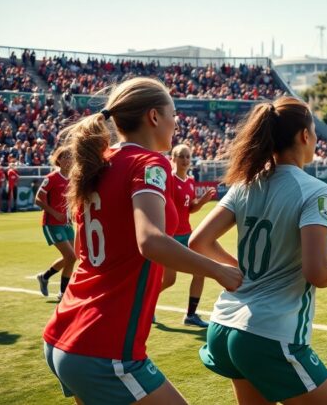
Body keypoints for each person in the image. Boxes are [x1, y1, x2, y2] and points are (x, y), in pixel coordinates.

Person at [42, 77, 243, 405]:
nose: (176, 123)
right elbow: (150, 240)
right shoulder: (150, 163)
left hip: (64, 333)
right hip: (103, 346)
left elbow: (84, 250)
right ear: (153, 117)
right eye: (173, 114)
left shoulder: (100, 160)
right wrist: (218, 270)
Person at [189, 97, 327, 405]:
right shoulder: (315, 190)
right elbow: (317, 271)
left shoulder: (245, 184)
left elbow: (199, 242)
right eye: (314, 131)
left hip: (224, 325)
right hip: (268, 333)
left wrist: (239, 269)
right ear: (304, 136)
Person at [158, 144, 216, 327]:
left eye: (187, 157)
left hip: (187, 235)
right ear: (173, 159)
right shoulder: (169, 181)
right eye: (181, 156)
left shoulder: (190, 181)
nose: (185, 160)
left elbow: (190, 208)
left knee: (200, 272)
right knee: (169, 280)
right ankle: (145, 304)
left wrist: (202, 201)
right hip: (171, 237)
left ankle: (191, 316)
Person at [35, 148, 75, 301]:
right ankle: (63, 292)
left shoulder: (72, 179)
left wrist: (71, 214)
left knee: (72, 257)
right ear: (59, 160)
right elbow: (38, 199)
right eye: (65, 157)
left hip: (66, 223)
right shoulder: (52, 178)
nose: (69, 160)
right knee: (70, 256)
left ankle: (45, 278)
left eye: (71, 157)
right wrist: (54, 213)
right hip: (52, 223)